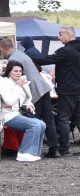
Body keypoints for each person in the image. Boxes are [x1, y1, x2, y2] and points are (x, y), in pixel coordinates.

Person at [0, 37, 62, 157]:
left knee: (32, 121)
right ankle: (54, 149)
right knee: (48, 119)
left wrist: (0, 74)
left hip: (33, 91)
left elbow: (13, 78)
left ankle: (30, 150)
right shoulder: (22, 54)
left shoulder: (13, 59)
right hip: (43, 87)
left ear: (2, 48)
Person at [30, 28, 80, 158]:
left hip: (67, 89)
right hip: (77, 89)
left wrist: (27, 57)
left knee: (63, 119)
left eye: (61, 34)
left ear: (68, 34)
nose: (59, 37)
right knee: (77, 118)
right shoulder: (76, 49)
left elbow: (46, 60)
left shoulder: (66, 51)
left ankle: (64, 149)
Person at [0, 61, 46, 161]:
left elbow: (28, 98)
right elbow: (9, 101)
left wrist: (29, 105)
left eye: (20, 71)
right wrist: (18, 86)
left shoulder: (21, 81)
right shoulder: (3, 82)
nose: (18, 73)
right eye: (15, 71)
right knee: (34, 125)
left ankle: (34, 152)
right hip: (7, 114)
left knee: (42, 124)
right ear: (9, 71)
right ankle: (23, 153)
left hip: (19, 113)